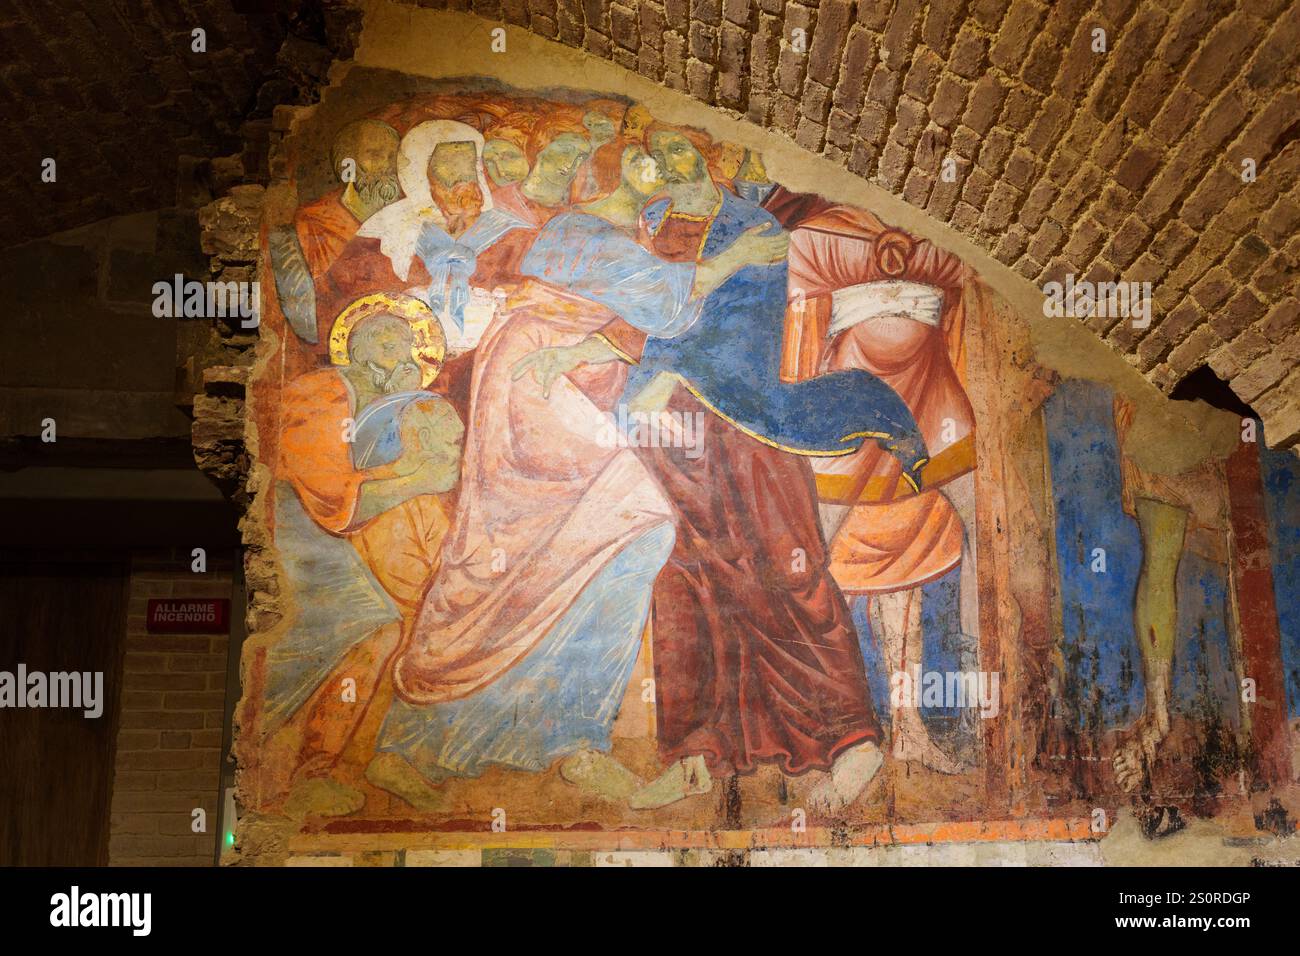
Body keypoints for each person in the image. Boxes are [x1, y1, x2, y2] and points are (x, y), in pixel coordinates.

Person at [511, 125, 929, 813]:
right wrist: (587, 352)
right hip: (666, 431)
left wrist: (659, 365)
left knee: (782, 566)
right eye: (654, 154)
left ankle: (850, 740)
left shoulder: (751, 227)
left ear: (706, 157)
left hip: (742, 422)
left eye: (679, 150)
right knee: (684, 579)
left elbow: (730, 334)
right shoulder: (646, 227)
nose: (667, 164)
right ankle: (703, 748)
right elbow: (640, 306)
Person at [784, 205, 982, 773]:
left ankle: (914, 729)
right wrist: (889, 250)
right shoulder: (832, 226)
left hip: (934, 397)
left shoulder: (944, 220)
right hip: (849, 400)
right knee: (814, 562)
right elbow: (802, 251)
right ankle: (830, 735)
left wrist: (900, 251)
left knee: (913, 562)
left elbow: (962, 261)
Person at [261, 296, 462, 817]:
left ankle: (358, 759)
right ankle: (306, 767)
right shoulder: (318, 391)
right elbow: (329, 495)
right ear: (351, 346)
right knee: (369, 626)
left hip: (348, 527)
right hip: (300, 528)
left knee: (411, 621)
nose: (398, 346)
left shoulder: (394, 408)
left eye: (405, 339)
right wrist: (417, 477)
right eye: (382, 335)